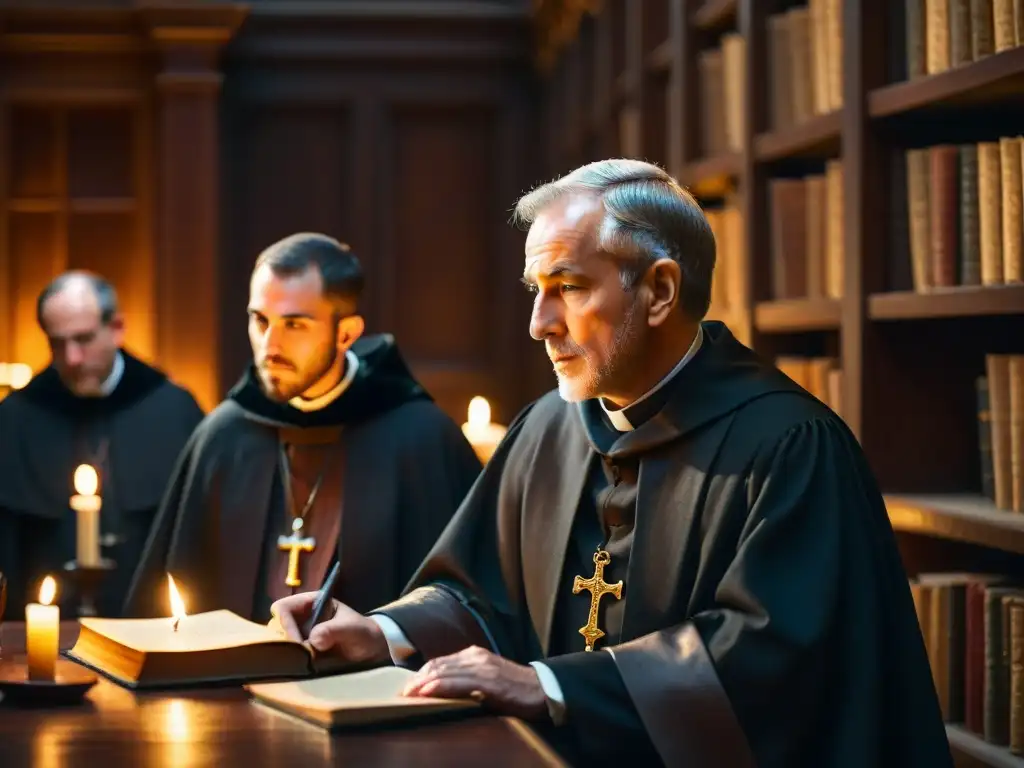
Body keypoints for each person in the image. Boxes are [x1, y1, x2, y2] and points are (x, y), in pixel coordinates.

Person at [270, 161, 953, 767]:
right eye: (534, 289)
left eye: (566, 287)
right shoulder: (547, 427)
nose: (539, 322)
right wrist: (384, 632)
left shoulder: (791, 446)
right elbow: (480, 592)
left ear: (658, 292)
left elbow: (775, 667)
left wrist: (553, 685)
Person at [124, 233, 482, 622]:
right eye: (260, 320)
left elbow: (461, 606)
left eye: (294, 324)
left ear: (345, 334)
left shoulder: (421, 438)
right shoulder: (223, 436)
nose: (269, 345)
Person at [0, 272, 204, 619]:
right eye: (57, 343)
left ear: (117, 327)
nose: (72, 358)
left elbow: (196, 537)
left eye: (83, 339)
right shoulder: (17, 418)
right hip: (44, 633)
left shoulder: (173, 410)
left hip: (148, 624)